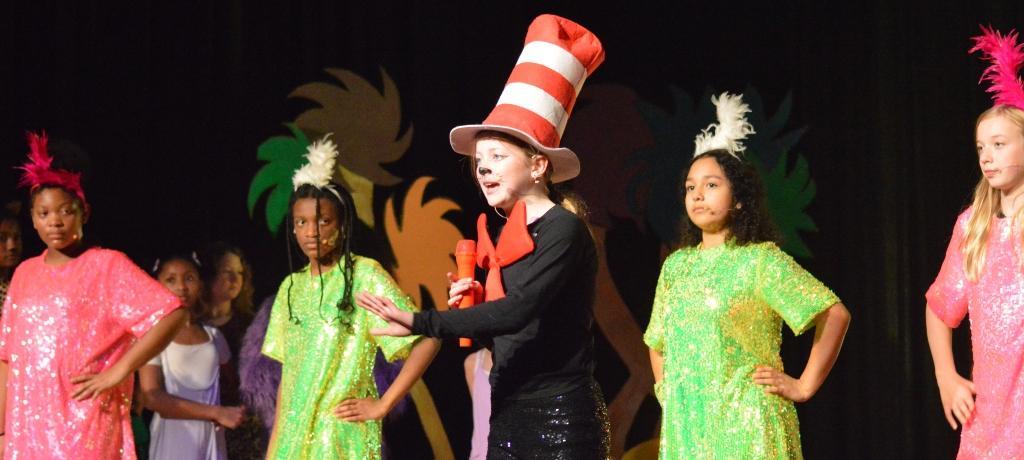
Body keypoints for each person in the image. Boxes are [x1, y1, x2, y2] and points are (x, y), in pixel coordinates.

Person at [356, 14, 612, 458]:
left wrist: (421, 320)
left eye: (497, 155)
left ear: (538, 166)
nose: (484, 167)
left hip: (561, 419)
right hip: (506, 410)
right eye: (479, 161)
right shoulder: (503, 235)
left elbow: (518, 312)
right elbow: (512, 329)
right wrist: (473, 305)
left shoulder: (564, 230)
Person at [643, 93, 850, 459]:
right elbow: (656, 339)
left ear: (738, 198)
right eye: (691, 187)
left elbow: (834, 314)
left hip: (749, 425)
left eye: (711, 185)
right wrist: (668, 392)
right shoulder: (676, 266)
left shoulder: (759, 261)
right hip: (688, 428)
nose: (697, 195)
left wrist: (803, 386)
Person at [0, 132, 185, 459]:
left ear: (83, 211)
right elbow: (7, 358)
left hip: (85, 423)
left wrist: (118, 371)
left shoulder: (106, 265)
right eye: (44, 214)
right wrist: (2, 428)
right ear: (32, 219)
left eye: (64, 211)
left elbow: (171, 313)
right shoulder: (25, 273)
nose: (54, 221)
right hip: (28, 427)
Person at [262, 135, 439, 459]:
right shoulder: (291, 287)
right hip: (294, 440)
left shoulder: (363, 275)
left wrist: (384, 404)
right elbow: (289, 379)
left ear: (342, 226)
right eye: (302, 222)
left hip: (341, 437)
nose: (312, 232)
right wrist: (274, 450)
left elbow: (427, 338)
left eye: (323, 221)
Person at [925, 26, 1024, 459]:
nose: (986, 156)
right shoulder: (973, 227)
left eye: (999, 144)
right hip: (992, 417)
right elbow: (939, 307)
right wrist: (947, 376)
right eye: (981, 146)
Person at [140, 253, 246, 460]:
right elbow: (153, 397)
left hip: (211, 438)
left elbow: (234, 386)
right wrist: (215, 413)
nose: (181, 287)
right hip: (174, 438)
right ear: (157, 285)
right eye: (171, 280)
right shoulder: (151, 337)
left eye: (189, 278)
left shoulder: (213, 336)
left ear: (200, 284)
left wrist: (234, 411)